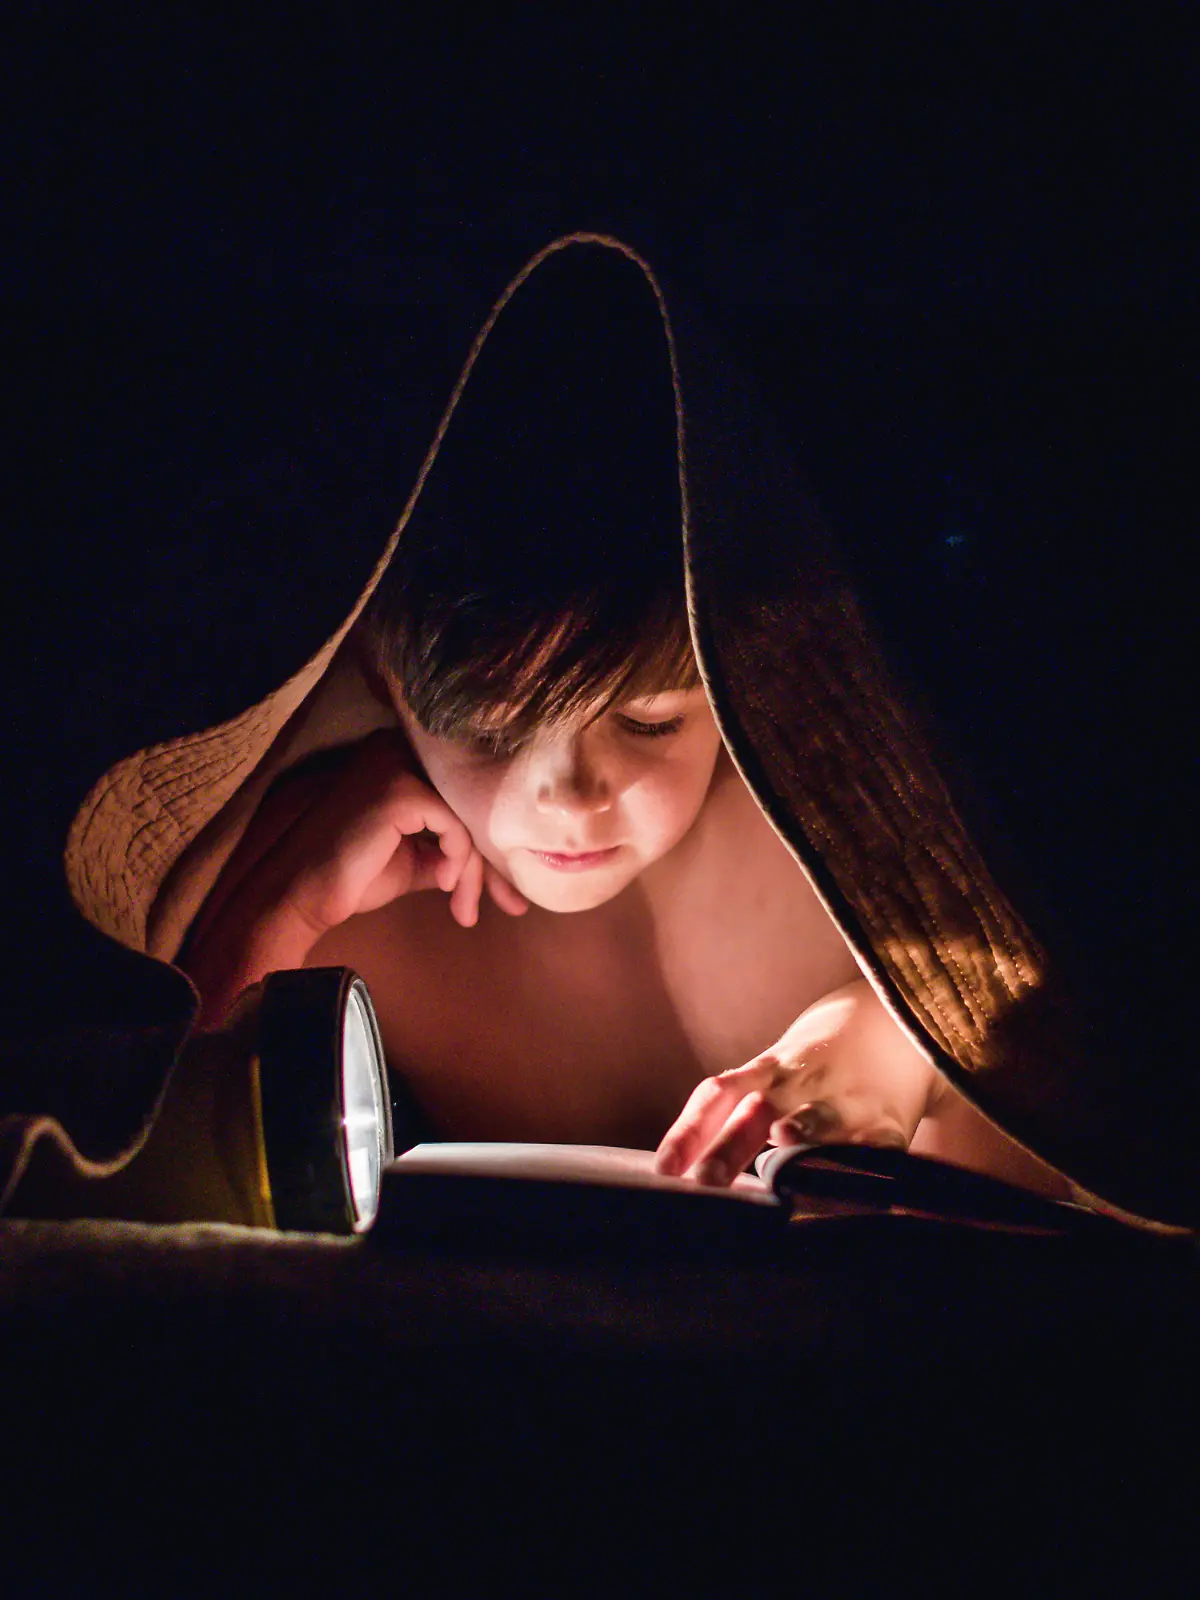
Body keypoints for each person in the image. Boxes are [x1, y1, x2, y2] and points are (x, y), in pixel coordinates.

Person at [175, 248, 1067, 1199]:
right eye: (490, 729)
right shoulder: (337, 869)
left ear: (737, 681)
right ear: (384, 678)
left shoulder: (841, 830)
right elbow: (137, 1166)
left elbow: (1084, 1110)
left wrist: (899, 1043)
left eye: (647, 723)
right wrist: (282, 913)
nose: (571, 796)